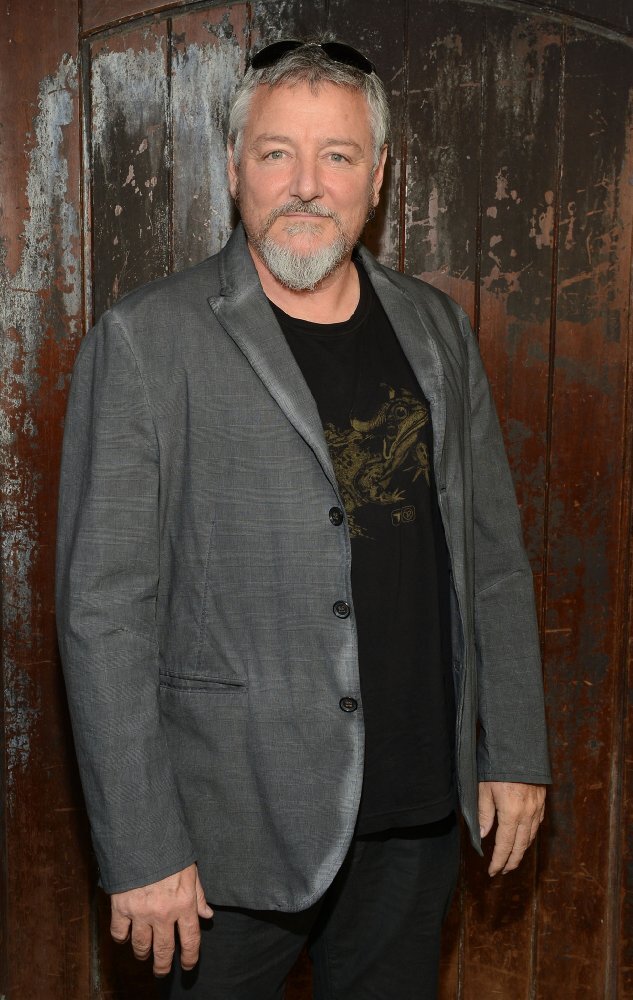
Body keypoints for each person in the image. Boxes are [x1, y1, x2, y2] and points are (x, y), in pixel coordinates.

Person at [56, 39, 550, 1000]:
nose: (307, 185)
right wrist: (142, 843)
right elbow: (101, 612)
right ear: (233, 167)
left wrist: (515, 749)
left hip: (416, 810)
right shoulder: (147, 338)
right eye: (277, 153)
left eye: (338, 155)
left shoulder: (437, 329)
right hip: (225, 834)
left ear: (379, 174)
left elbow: (492, 558)